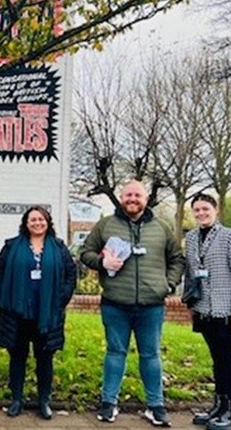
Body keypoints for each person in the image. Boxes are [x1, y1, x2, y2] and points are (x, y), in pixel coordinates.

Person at [79, 181, 186, 427]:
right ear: (121, 197)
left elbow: (177, 259)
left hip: (152, 304)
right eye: (128, 194)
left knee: (151, 355)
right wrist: (101, 263)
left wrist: (168, 285)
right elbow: (86, 253)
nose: (132, 199)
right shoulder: (106, 224)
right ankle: (108, 403)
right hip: (116, 302)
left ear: (146, 199)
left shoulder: (161, 227)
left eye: (137, 195)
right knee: (115, 353)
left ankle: (155, 405)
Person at [0, 206, 76, 420]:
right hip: (17, 313)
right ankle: (17, 400)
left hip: (46, 314)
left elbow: (70, 274)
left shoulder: (58, 247)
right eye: (33, 220)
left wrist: (59, 301)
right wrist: (4, 300)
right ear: (25, 223)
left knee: (45, 358)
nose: (37, 223)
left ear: (48, 222)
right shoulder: (11, 246)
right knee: (17, 357)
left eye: (41, 219)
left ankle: (44, 401)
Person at [185, 193, 231, 430]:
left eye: (206, 209)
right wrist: (190, 303)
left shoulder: (230, 237)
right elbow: (190, 273)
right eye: (197, 210)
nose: (201, 213)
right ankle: (219, 405)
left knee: (228, 359)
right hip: (204, 308)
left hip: (226, 309)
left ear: (216, 210)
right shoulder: (191, 238)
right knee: (216, 360)